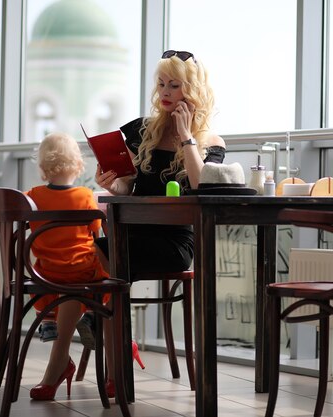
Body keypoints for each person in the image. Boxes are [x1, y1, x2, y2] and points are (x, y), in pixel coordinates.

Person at [89, 50, 226, 392]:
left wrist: (186, 137)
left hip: (175, 242)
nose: (164, 92)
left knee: (109, 262)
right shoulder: (141, 131)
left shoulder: (210, 141)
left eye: (174, 85)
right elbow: (128, 185)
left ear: (191, 91)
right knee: (107, 256)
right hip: (132, 233)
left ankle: (106, 337)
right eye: (161, 84)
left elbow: (201, 187)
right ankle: (118, 353)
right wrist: (112, 183)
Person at [25, 132, 112, 401]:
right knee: (110, 276)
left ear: (42, 169)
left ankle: (60, 359)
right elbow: (96, 233)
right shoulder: (86, 197)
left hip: (45, 275)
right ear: (78, 165)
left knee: (68, 284)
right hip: (81, 272)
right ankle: (99, 321)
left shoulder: (32, 197)